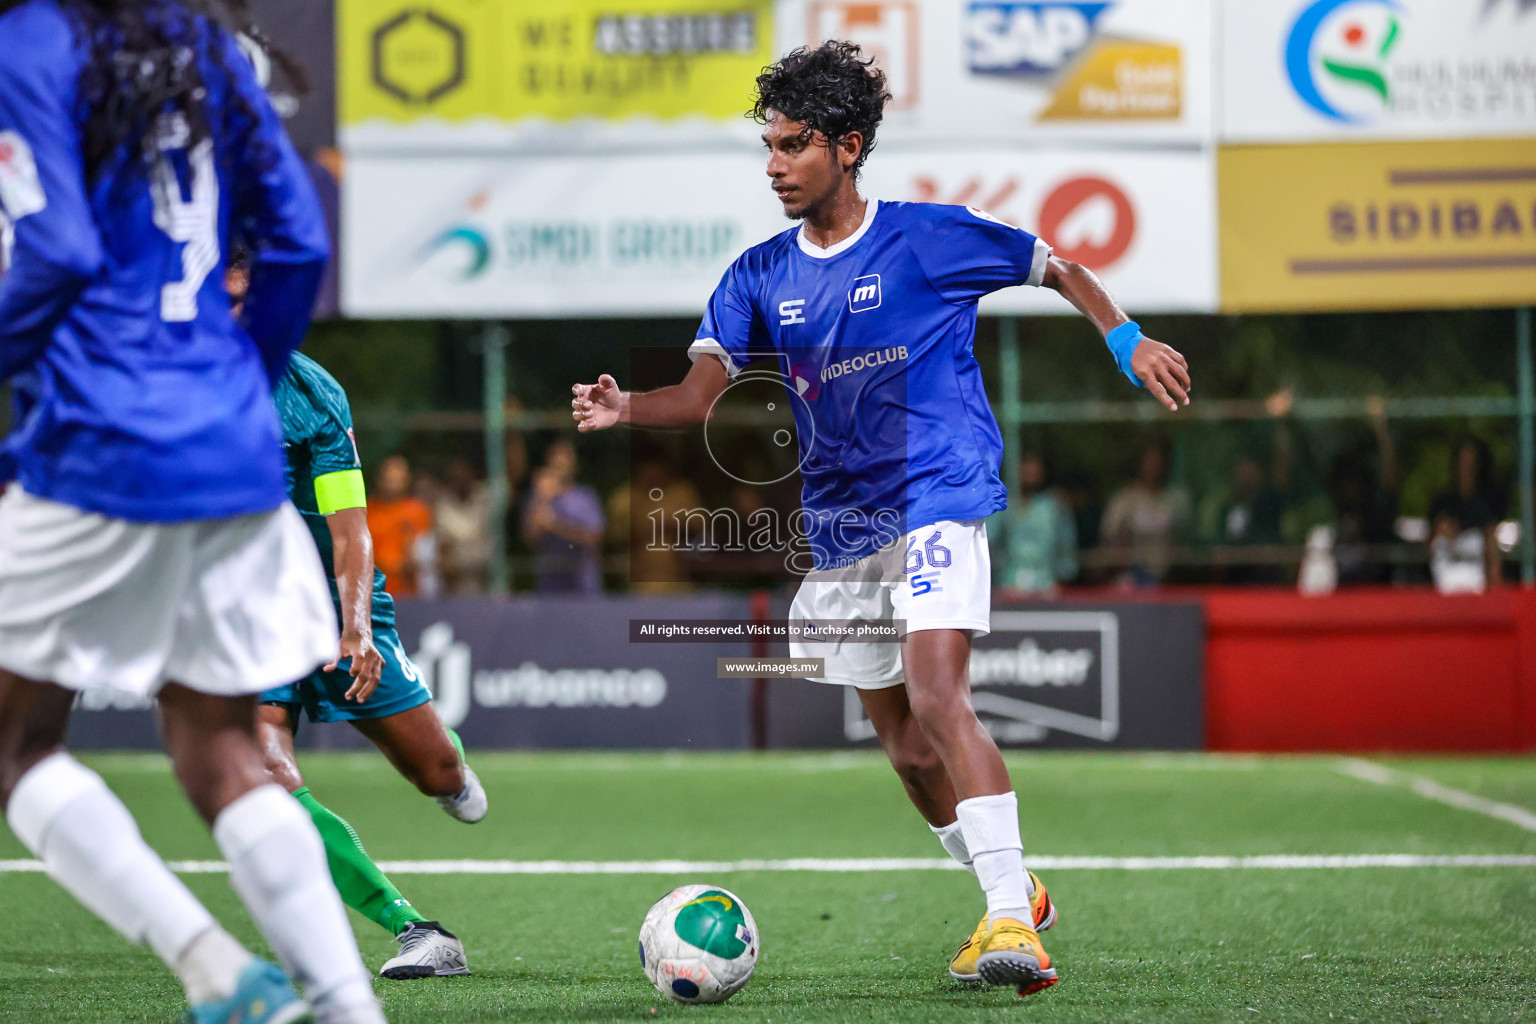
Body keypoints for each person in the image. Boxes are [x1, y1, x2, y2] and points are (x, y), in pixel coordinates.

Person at [571, 41, 1191, 998]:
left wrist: (1127, 338)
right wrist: (630, 407)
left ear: (847, 147)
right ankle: (1016, 887)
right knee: (904, 751)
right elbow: (702, 393)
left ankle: (1008, 923)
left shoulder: (930, 238)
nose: (774, 164)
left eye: (792, 146)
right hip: (845, 530)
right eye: (768, 147)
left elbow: (1056, 266)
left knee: (942, 699)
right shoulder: (756, 275)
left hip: (938, 494)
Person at [0, 3, 385, 1022]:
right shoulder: (207, 48)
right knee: (219, 744)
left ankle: (214, 965)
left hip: (97, 438)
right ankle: (350, 1005)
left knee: (17, 747)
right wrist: (223, 387)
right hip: (228, 450)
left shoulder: (34, 39)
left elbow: (58, 252)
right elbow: (299, 243)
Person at [256, 345, 488, 979]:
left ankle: (451, 758)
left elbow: (350, 529)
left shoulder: (307, 394)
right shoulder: (166, 373)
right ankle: (415, 929)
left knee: (441, 778)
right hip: (245, 613)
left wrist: (355, 627)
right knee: (265, 776)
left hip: (330, 602)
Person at [1099, 441, 1191, 586]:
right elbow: (1110, 538)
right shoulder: (1125, 498)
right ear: (1140, 464)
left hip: (1169, 578)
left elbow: (1184, 539)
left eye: (1158, 461)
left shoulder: (1176, 498)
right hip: (1133, 578)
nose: (1154, 466)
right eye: (1149, 461)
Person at [522, 438, 604, 594]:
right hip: (549, 588)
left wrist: (554, 525)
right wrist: (541, 497)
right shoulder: (538, 497)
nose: (560, 468)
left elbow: (593, 537)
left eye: (564, 463)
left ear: (574, 465)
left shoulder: (586, 497)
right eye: (555, 463)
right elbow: (530, 539)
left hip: (582, 587)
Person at [992, 450, 1077, 595]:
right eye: (1025, 469)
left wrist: (1062, 577)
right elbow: (990, 540)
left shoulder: (1052, 506)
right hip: (1009, 583)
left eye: (1034, 470)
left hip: (1046, 584)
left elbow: (1066, 544)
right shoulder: (1002, 504)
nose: (1029, 474)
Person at [1428, 436, 1505, 592]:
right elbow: (1430, 541)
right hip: (1447, 571)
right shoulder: (1443, 500)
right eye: (1463, 460)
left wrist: (1495, 579)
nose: (1466, 466)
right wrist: (1442, 531)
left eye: (1471, 461)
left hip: (1475, 573)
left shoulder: (1486, 500)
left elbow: (1491, 539)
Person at [366, 453, 433, 597]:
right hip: (374, 591)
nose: (392, 482)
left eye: (398, 478)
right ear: (379, 479)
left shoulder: (418, 511)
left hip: (409, 594)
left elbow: (424, 553)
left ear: (407, 480)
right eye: (388, 478)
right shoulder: (367, 510)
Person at [436, 455, 493, 595]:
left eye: (464, 476)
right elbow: (444, 551)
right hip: (458, 585)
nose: (460, 481)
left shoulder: (486, 497)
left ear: (472, 476)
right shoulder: (443, 507)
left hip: (488, 582)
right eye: (455, 478)